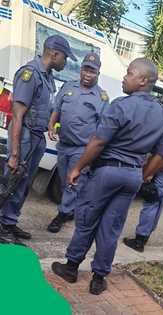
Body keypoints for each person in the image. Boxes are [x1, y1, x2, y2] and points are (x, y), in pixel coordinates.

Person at [51, 58, 163, 295]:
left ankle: (72, 267)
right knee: (111, 228)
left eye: (129, 73)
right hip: (132, 176)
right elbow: (162, 154)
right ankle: (98, 279)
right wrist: (142, 174)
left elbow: (98, 142)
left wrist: (77, 168)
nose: (125, 77)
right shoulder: (162, 113)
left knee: (87, 219)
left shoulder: (120, 105)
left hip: (107, 172)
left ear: (143, 81)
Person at [0, 35, 76, 241]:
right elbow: (17, 116)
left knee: (22, 184)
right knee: (11, 181)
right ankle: (1, 225)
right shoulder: (30, 74)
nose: (65, 62)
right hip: (24, 137)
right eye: (65, 58)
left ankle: (9, 222)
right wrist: (15, 153)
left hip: (36, 138)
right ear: (54, 53)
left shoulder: (48, 77)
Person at [46, 52, 109, 233]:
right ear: (81, 69)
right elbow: (57, 109)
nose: (88, 75)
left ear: (98, 74)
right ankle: (71, 208)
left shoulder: (102, 98)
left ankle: (62, 214)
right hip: (63, 145)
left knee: (72, 183)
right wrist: (51, 124)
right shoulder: (68, 87)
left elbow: (103, 128)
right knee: (65, 180)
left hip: (82, 149)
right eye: (85, 70)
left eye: (92, 72)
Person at [122, 105, 163, 252]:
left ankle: (139, 240)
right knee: (158, 201)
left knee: (150, 200)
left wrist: (148, 173)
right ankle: (146, 234)